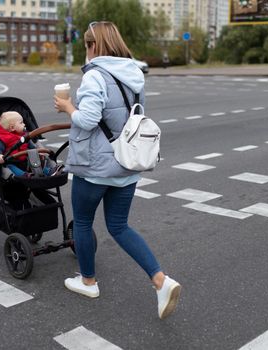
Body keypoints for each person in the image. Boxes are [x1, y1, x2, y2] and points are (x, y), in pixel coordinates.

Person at [54, 21, 181, 319]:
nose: (86, 52)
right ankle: (161, 281)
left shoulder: (95, 76)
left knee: (83, 223)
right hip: (126, 164)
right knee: (120, 226)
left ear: (93, 46)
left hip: (95, 166)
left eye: (86, 46)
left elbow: (86, 120)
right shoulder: (134, 74)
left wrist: (67, 106)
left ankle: (88, 282)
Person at [0, 111, 61, 177]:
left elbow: (32, 147)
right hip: (12, 162)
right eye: (21, 123)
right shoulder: (3, 138)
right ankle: (23, 176)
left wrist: (38, 152)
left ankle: (49, 171)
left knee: (37, 163)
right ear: (12, 127)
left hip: (26, 160)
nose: (24, 124)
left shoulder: (25, 136)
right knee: (11, 167)